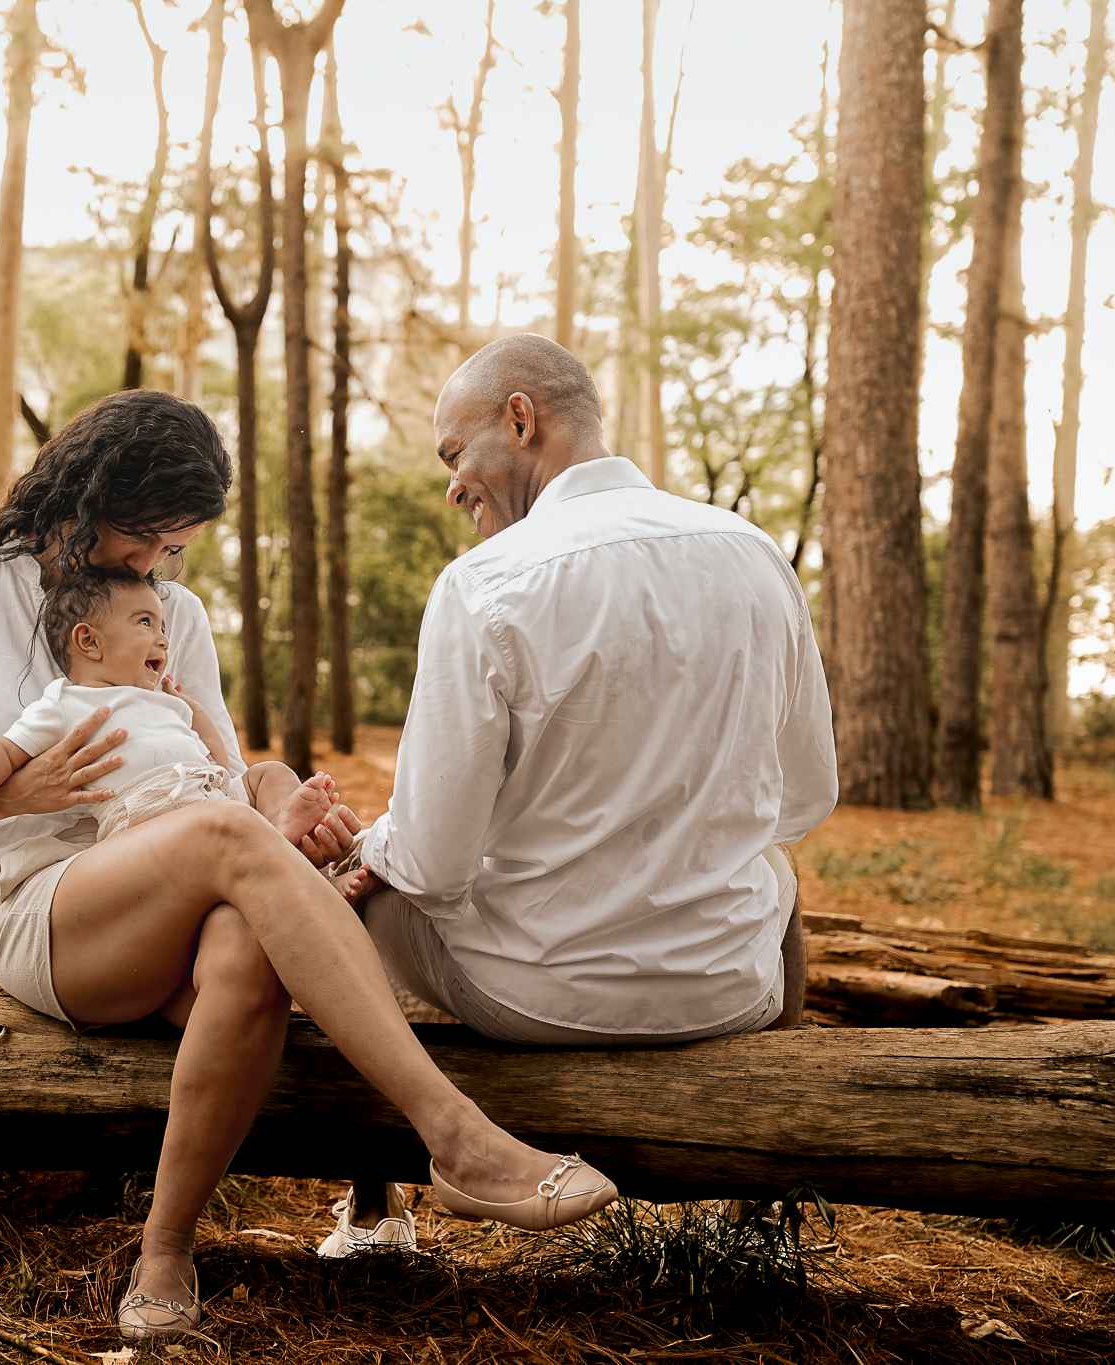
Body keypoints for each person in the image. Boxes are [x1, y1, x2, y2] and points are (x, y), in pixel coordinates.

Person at [0, 390, 617, 1344]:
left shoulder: (172, 612)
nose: (154, 565)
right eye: (144, 536)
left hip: (186, 876)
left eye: (173, 547)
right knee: (225, 843)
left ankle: (165, 1247)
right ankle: (453, 1134)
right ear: (88, 493)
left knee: (248, 936)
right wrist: (11, 795)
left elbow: (217, 772)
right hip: (50, 915)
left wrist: (281, 798)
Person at [318, 334, 838, 1256]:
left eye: (455, 455)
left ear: (521, 419)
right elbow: (803, 799)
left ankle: (374, 1216)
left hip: (541, 996)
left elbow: (432, 861)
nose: (452, 487)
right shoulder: (755, 554)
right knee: (779, 868)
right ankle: (764, 1209)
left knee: (356, 888)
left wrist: (367, 851)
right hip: (730, 989)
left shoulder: (484, 585)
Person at [0, 566, 338, 845]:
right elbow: (4, 751)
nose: (163, 638)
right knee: (231, 837)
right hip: (146, 817)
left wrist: (193, 712)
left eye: (162, 627)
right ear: (89, 641)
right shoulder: (66, 703)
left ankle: (284, 838)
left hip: (210, 795)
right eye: (145, 623)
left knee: (270, 773)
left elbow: (219, 761)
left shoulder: (164, 701)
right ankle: (277, 845)